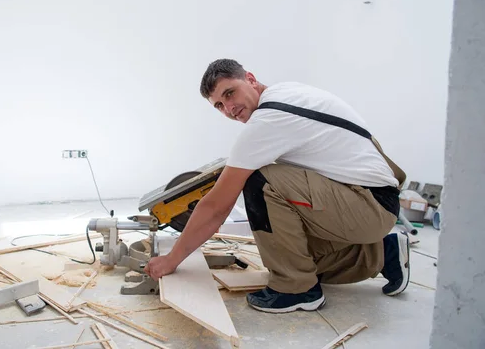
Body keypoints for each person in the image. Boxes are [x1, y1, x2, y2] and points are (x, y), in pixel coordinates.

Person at [144, 59, 410, 313]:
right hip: (373, 200)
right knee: (297, 258)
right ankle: (382, 252)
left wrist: (172, 259)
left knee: (259, 180)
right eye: (219, 106)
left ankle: (297, 290)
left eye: (230, 93)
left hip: (367, 206)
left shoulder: (269, 120)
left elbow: (216, 207)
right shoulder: (288, 91)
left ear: (250, 78)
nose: (228, 108)